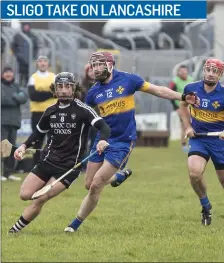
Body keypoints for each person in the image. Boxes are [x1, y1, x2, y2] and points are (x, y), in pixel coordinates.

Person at [64, 51, 199, 232]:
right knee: (89, 183)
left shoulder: (128, 80)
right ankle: (117, 176)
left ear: (110, 65)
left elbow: (158, 90)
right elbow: (85, 117)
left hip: (123, 141)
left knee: (96, 185)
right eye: (93, 65)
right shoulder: (94, 92)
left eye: (99, 65)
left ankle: (74, 224)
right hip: (102, 139)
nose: (95, 69)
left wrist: (182, 97)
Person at [8, 72, 110, 234]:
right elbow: (38, 134)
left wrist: (103, 140)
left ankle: (13, 232)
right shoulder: (50, 111)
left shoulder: (83, 109)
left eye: (67, 87)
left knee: (41, 198)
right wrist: (23, 146)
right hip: (48, 160)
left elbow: (104, 127)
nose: (63, 90)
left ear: (73, 88)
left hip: (69, 166)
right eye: (60, 87)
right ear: (55, 89)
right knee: (25, 194)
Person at [179, 58, 224, 227]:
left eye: (215, 72)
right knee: (194, 173)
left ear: (220, 75)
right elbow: (182, 106)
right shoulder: (191, 89)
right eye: (209, 70)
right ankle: (205, 205)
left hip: (219, 141)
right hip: (199, 139)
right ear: (204, 70)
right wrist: (188, 127)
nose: (211, 74)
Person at [28, 55, 57, 166]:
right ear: (37, 63)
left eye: (45, 61)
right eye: (40, 61)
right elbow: (33, 96)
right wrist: (49, 94)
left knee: (53, 140)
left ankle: (52, 163)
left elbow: (56, 94)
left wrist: (42, 94)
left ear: (47, 63)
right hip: (37, 113)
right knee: (37, 140)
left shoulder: (53, 77)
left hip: (52, 112)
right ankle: (36, 165)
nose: (43, 63)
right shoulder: (33, 78)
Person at [1, 66, 28, 181]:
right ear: (2, 74)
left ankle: (8, 173)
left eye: (10, 72)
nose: (8, 74)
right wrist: (15, 98)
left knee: (12, 148)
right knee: (3, 147)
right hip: (2, 122)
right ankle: (2, 172)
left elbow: (24, 97)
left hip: (14, 122)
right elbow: (3, 100)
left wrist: (14, 97)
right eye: (6, 72)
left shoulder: (17, 86)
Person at [169, 65, 193, 152]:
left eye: (184, 71)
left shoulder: (190, 80)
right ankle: (184, 145)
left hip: (191, 107)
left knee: (194, 124)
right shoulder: (174, 81)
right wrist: (176, 108)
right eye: (181, 71)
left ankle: (193, 143)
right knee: (184, 125)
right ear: (178, 72)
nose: (183, 73)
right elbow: (170, 95)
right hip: (180, 107)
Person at [11, 22, 39, 86]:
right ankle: (19, 87)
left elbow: (36, 48)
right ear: (22, 26)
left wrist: (33, 56)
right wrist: (17, 54)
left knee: (28, 75)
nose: (26, 27)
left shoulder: (33, 36)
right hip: (20, 60)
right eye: (25, 26)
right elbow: (13, 46)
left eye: (28, 26)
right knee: (19, 75)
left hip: (29, 60)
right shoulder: (18, 36)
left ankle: (26, 88)